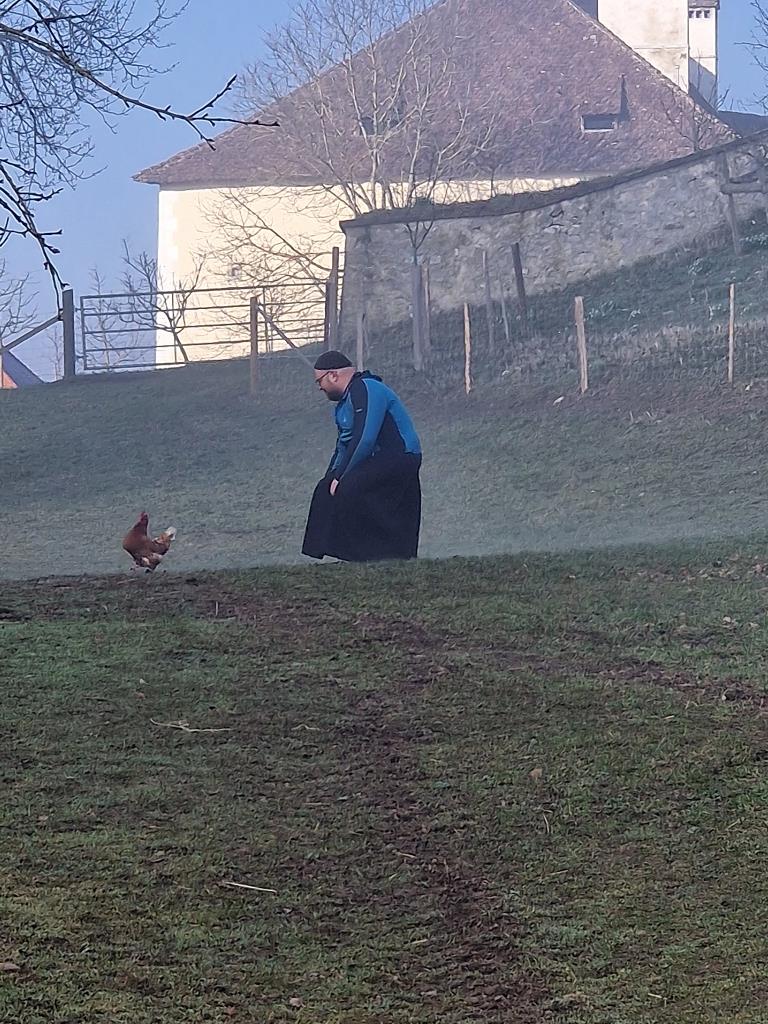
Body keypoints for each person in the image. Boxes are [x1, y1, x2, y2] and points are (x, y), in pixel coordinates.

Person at [302, 350, 423, 563]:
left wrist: (341, 477)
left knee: (349, 487)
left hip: (400, 456)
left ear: (333, 375)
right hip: (375, 459)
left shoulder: (366, 388)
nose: (320, 387)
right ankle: (341, 552)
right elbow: (343, 445)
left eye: (319, 381)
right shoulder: (344, 404)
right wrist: (332, 476)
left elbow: (365, 439)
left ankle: (374, 554)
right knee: (324, 489)